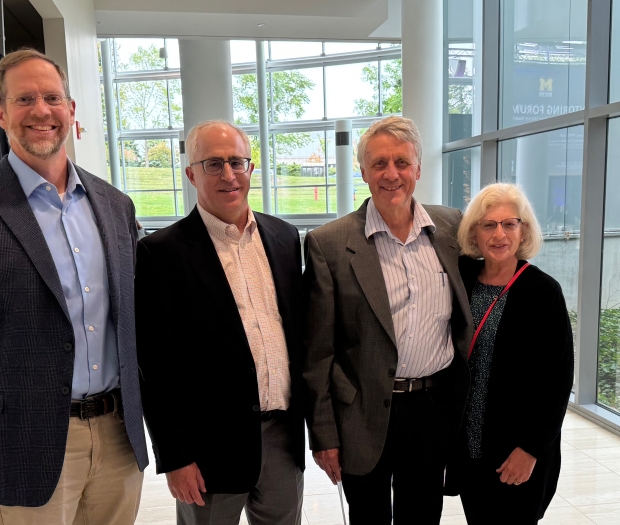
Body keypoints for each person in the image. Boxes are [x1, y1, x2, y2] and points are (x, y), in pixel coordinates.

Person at [0, 49, 148, 524]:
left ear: (71, 110)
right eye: (25, 99)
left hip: (118, 437)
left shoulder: (115, 206)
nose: (41, 111)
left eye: (52, 98)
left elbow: (131, 319)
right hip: (23, 444)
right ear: (0, 113)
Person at [303, 116, 472, 524]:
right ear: (363, 172)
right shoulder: (328, 244)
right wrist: (323, 437)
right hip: (362, 413)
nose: (391, 174)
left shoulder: (451, 227)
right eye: (379, 164)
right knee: (369, 517)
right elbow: (317, 353)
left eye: (401, 162)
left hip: (433, 408)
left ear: (418, 169)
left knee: (423, 513)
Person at [135, 120, 305, 525]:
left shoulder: (284, 237)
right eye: (213, 164)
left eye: (237, 162)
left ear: (250, 168)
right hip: (207, 449)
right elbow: (153, 367)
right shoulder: (161, 254)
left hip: (281, 437)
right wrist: (175, 457)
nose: (229, 175)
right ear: (191, 173)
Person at [445, 183, 574, 524]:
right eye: (488, 224)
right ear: (475, 232)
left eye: (509, 224)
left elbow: (558, 382)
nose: (499, 234)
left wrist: (531, 449)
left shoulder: (544, 292)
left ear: (523, 230)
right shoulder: (464, 278)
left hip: (516, 451)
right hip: (471, 448)